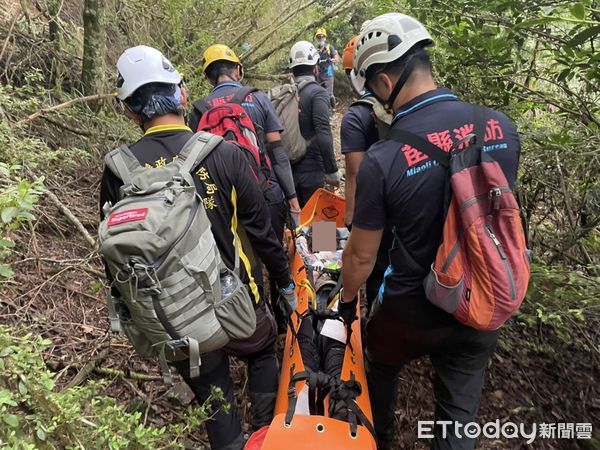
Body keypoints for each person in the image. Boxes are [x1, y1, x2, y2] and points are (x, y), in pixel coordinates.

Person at [100, 45, 298, 450]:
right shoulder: (223, 153)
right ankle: (268, 430)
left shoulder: (118, 169)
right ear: (182, 95)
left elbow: (115, 255)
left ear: (130, 112)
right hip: (239, 302)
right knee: (262, 354)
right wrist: (285, 283)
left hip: (178, 320)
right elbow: (261, 232)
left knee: (213, 393)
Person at [339, 13, 521, 450]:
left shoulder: (383, 158)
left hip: (411, 307)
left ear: (384, 82)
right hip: (482, 294)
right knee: (458, 412)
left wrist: (347, 304)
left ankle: (381, 437)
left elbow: (363, 257)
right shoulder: (500, 127)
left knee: (379, 366)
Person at [189, 43, 300, 333]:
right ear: (237, 69)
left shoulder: (198, 109)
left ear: (209, 77)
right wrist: (292, 197)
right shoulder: (257, 99)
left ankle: (257, 320)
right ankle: (287, 316)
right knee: (274, 251)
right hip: (266, 191)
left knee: (245, 260)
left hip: (224, 202)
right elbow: (278, 153)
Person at [340, 35, 393, 314]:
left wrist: (350, 218)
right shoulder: (404, 109)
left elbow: (354, 173)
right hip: (407, 209)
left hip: (373, 211)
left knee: (369, 264)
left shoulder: (356, 116)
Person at [288, 40, 341, 207]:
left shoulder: (284, 95)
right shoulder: (318, 93)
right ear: (315, 67)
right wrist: (332, 171)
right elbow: (323, 133)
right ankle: (321, 235)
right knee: (322, 227)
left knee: (298, 229)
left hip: (289, 176)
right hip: (314, 173)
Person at [314, 27, 340, 108]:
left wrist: (334, 60)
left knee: (329, 94)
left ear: (325, 38)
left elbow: (337, 58)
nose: (321, 38)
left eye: (322, 36)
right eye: (319, 37)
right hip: (319, 74)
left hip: (328, 73)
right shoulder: (316, 50)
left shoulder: (329, 48)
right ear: (316, 38)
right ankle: (322, 109)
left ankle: (330, 111)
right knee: (319, 94)